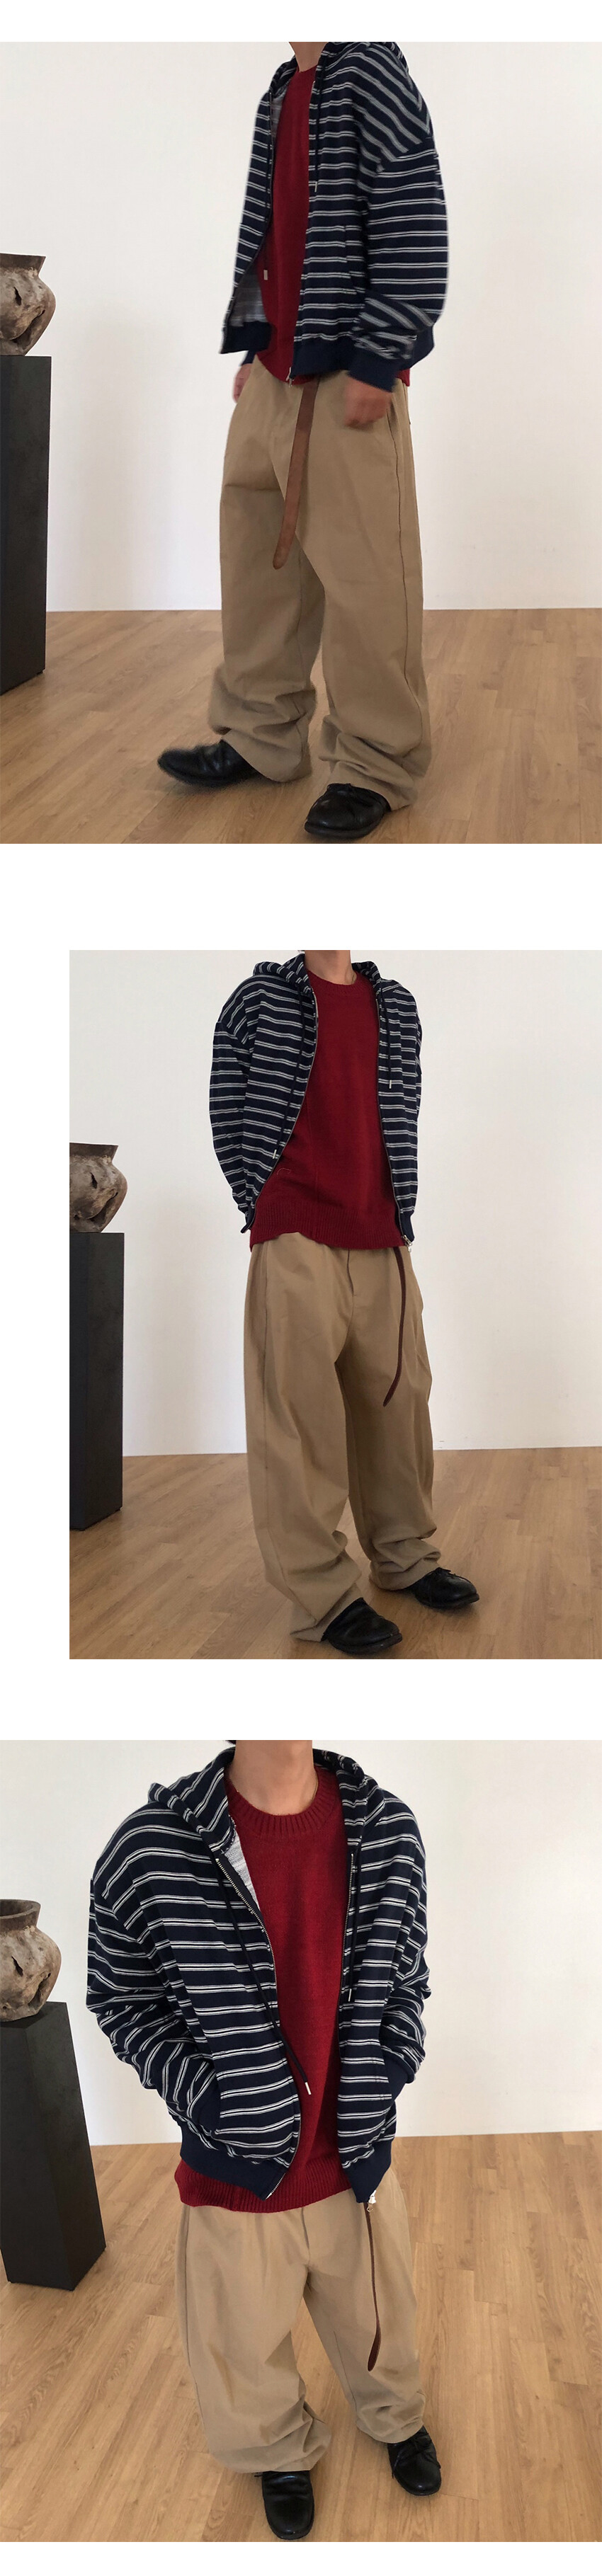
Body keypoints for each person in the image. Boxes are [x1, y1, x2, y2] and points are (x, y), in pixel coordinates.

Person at [87, 1737, 442, 2542]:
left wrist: (389, 2066)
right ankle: (276, 2448)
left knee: (383, 2321)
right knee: (242, 2344)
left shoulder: (390, 1831)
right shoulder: (151, 1848)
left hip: (356, 2159)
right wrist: (210, 2102)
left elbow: (409, 1978)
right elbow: (121, 1997)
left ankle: (395, 2418)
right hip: (234, 2172)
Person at [159, 41, 448, 845]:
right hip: (273, 369)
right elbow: (270, 234)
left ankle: (377, 764)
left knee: (367, 580)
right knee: (258, 563)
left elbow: (414, 217)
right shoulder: (284, 87)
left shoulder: (370, 70)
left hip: (348, 367)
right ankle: (261, 734)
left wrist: (381, 357)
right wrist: (254, 343)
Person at [209, 949, 478, 1657]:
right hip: (296, 1226)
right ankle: (323, 1597)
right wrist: (263, 1200)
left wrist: (399, 1207)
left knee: (399, 1400)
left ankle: (404, 1557)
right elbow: (226, 1110)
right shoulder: (257, 1001)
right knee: (298, 1416)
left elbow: (402, 1112)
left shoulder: (398, 1007)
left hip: (381, 1228)